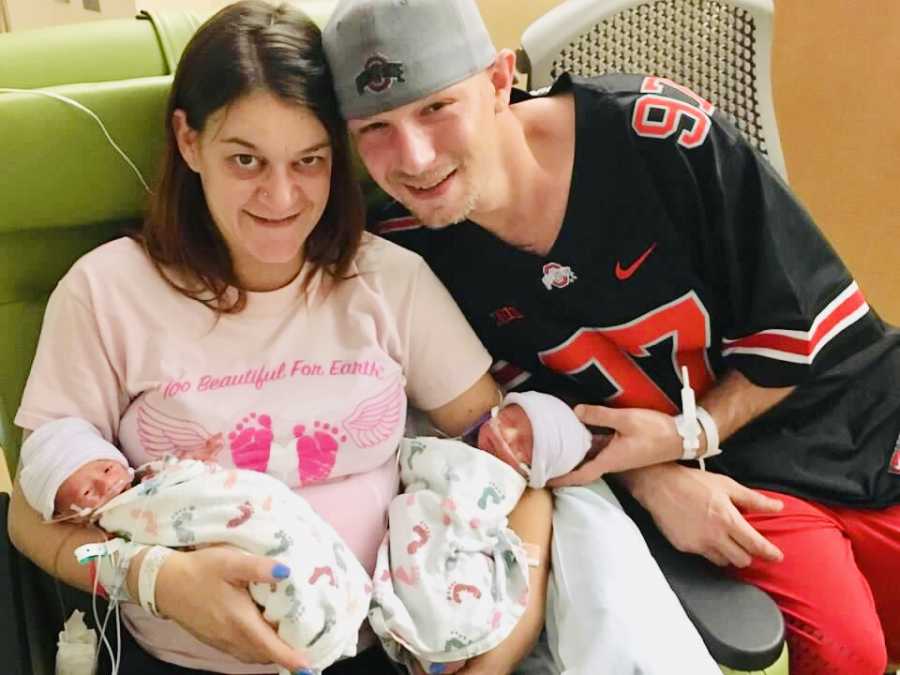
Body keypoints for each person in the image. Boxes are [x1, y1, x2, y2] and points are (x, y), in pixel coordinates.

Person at [322, 1, 900, 674]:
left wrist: (693, 434)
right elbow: (513, 417)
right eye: (376, 129)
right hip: (735, 484)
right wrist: (654, 478)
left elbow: (800, 316)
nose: (414, 158)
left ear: (499, 80)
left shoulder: (658, 135)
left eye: (437, 109)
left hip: (837, 405)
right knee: (845, 653)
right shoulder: (404, 252)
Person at [8, 2, 552, 675]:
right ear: (187, 140)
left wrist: (506, 637)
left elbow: (510, 461)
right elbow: (31, 523)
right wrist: (154, 580)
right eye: (246, 159)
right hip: (183, 658)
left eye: (309, 160)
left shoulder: (387, 281)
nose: (281, 195)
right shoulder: (108, 292)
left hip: (387, 648)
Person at [375, 391, 720, 675]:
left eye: (523, 445)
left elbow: (510, 549)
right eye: (508, 420)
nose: (505, 436)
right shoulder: (448, 437)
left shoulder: (509, 489)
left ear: (533, 473)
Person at [19, 417, 374, 674]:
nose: (105, 486)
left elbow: (180, 476)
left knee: (286, 526)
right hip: (181, 642)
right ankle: (311, 628)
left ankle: (339, 605)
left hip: (250, 503)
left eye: (108, 470)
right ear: (74, 517)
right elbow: (83, 553)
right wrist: (152, 574)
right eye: (86, 492)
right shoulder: (111, 524)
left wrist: (191, 462)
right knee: (280, 570)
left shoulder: (150, 475)